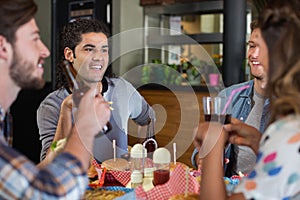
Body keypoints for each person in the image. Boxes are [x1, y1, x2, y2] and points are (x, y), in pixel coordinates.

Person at [0, 0, 111, 199]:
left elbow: (36, 176)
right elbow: (50, 194)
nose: (45, 51)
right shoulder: (47, 104)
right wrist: (85, 127)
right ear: (3, 47)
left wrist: (67, 114)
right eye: (34, 38)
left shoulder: (4, 118)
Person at [194, 0, 300, 199]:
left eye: (264, 46)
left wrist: (212, 147)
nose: (255, 54)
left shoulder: (288, 131)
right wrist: (257, 141)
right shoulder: (231, 96)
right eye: (251, 45)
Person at [37, 18, 155, 163]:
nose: (99, 57)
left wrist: (142, 155)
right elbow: (48, 163)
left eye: (104, 50)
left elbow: (148, 119)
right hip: (81, 184)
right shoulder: (52, 105)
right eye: (89, 49)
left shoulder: (122, 89)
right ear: (69, 55)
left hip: (121, 183)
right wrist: (65, 113)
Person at [191, 20, 270, 176]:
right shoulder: (228, 97)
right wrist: (205, 156)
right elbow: (200, 155)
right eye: (252, 45)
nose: (253, 55)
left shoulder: (292, 105)